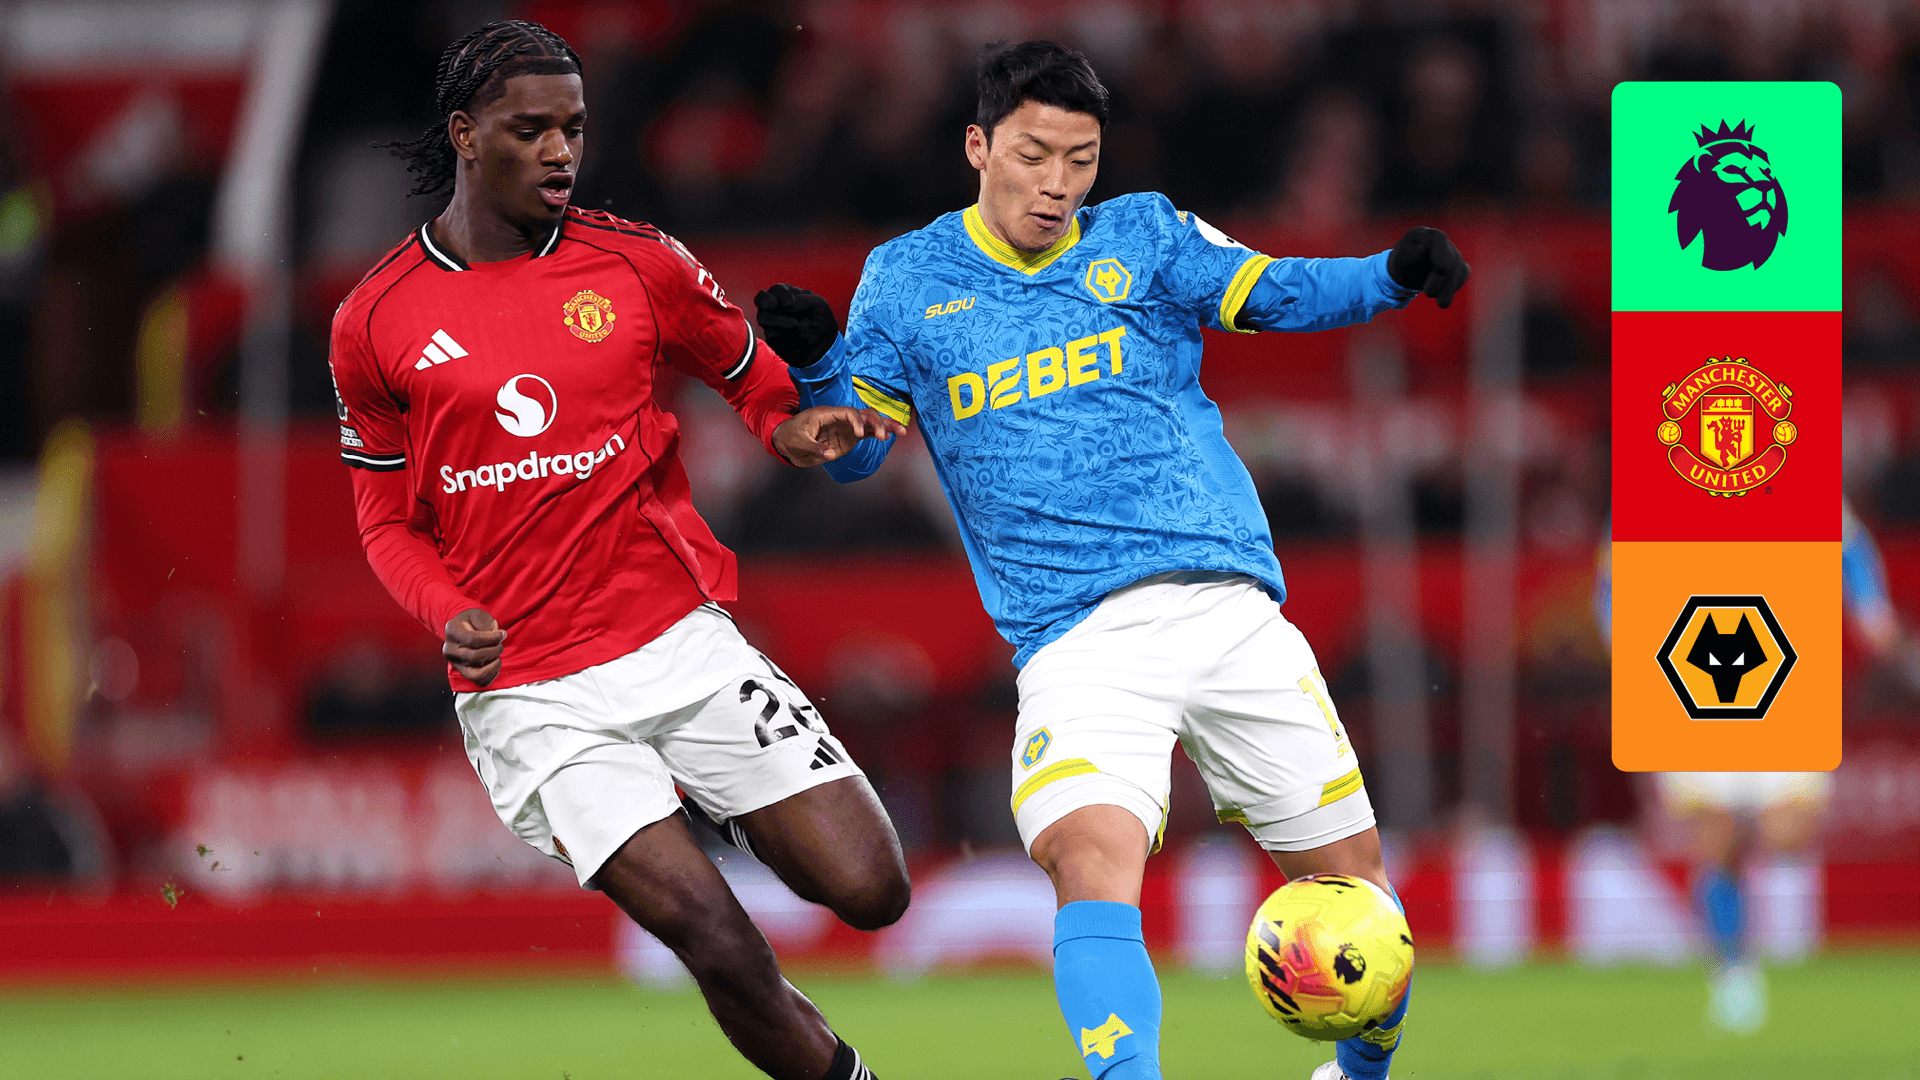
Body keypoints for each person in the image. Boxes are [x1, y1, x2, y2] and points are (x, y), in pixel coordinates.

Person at [755, 41, 1468, 1080]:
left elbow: (1277, 291)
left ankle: (1359, 1076)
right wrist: (821, 367)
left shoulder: (1146, 235)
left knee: (1359, 897)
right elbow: (856, 451)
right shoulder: (906, 282)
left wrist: (1389, 277)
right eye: (1033, 155)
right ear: (978, 146)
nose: (1057, 184)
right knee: (1089, 863)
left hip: (1225, 606)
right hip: (1076, 639)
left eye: (1080, 160)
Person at [330, 22, 908, 1080]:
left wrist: (795, 427)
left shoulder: (639, 264)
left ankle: (727, 800)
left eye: (575, 128)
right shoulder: (375, 319)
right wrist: (447, 611)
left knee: (872, 887)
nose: (561, 151)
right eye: (531, 130)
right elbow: (383, 519)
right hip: (532, 691)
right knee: (717, 938)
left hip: (677, 640)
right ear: (465, 135)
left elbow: (756, 384)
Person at [1595, 499, 1914, 1033]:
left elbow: (1849, 543)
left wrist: (1870, 609)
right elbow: (1615, 572)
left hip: (1784, 674)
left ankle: (1741, 896)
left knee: (1788, 832)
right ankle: (1733, 971)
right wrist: (1623, 639)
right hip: (1689, 671)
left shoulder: (1787, 479)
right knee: (1715, 837)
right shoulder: (1661, 487)